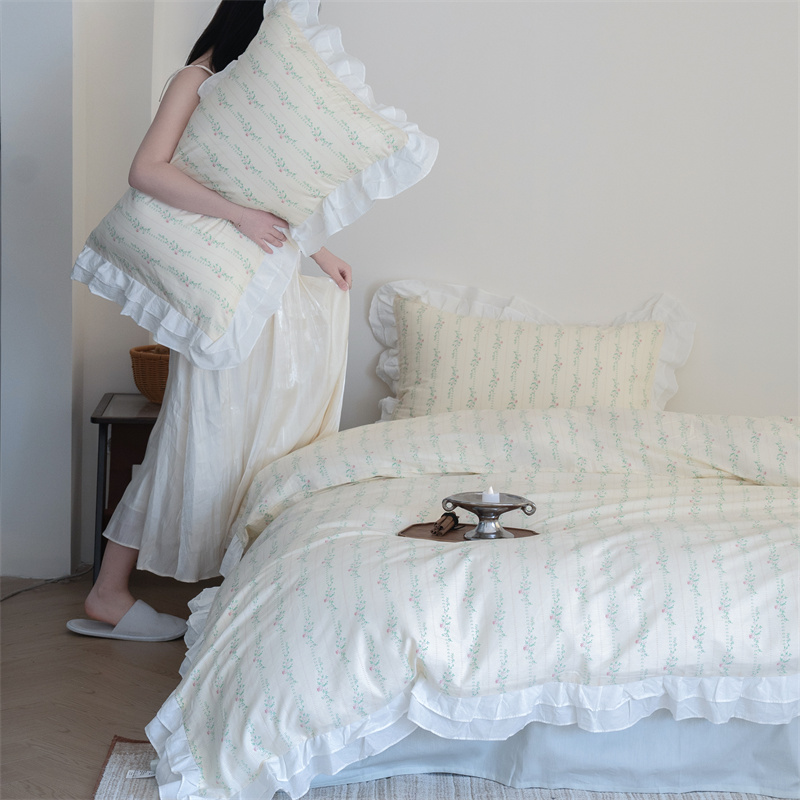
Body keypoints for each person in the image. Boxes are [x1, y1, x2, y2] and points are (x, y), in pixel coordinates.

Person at [67, 0, 353, 642]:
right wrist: (237, 216)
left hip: (263, 290)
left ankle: (234, 593)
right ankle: (111, 591)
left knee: (264, 445)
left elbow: (270, 192)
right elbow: (147, 171)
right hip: (223, 297)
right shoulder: (195, 80)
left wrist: (319, 251)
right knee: (194, 440)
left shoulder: (250, 94)